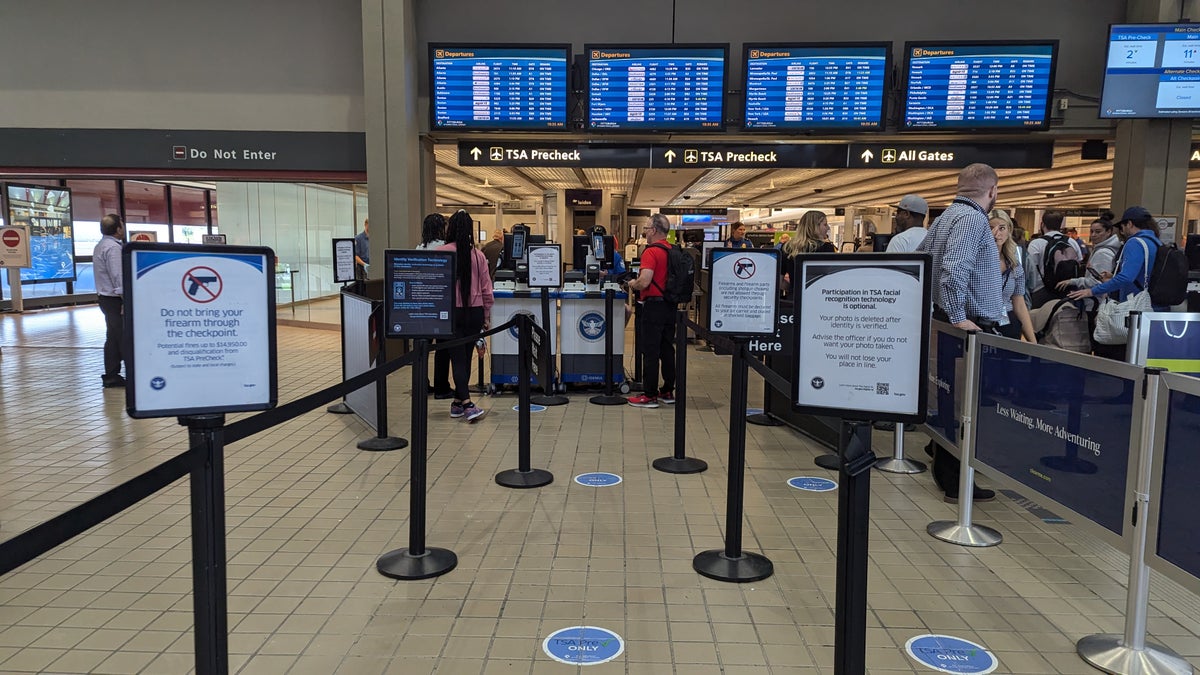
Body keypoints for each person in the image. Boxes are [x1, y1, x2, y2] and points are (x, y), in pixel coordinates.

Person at [918, 163, 1004, 503]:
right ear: (993, 191)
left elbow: (921, 260)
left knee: (949, 401)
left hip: (944, 319)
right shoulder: (972, 220)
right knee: (963, 405)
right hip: (965, 323)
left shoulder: (944, 218)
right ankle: (954, 481)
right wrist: (957, 316)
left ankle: (948, 474)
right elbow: (954, 271)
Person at [1067, 206, 1166, 360]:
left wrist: (1092, 291)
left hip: (1129, 308)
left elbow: (1127, 278)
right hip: (1149, 306)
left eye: (1122, 226)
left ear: (1130, 224)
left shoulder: (1135, 243)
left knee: (1113, 352)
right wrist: (1113, 276)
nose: (1122, 231)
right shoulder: (1154, 242)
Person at [438, 211, 493, 421]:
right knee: (465, 357)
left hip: (450, 313)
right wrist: (486, 315)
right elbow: (487, 289)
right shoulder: (478, 256)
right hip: (474, 312)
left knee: (457, 358)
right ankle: (466, 403)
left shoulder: (441, 252)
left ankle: (459, 402)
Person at [625, 213, 677, 408]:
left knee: (651, 351)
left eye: (646, 229)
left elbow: (645, 280)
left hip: (654, 306)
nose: (645, 232)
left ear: (654, 230)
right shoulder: (673, 250)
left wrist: (632, 283)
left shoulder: (651, 252)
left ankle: (649, 395)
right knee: (667, 349)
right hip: (670, 305)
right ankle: (668, 391)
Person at [418, 213, 453, 399]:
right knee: (442, 348)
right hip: (440, 303)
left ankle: (422, 384)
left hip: (421, 304)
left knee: (422, 347)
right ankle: (442, 386)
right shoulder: (444, 248)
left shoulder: (419, 248)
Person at [989, 211, 1036, 342]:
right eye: (991, 228)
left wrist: (1033, 342)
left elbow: (1019, 303)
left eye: (1002, 228)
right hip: (981, 323)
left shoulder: (1014, 263)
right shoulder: (977, 260)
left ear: (1009, 230)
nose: (996, 233)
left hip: (1007, 321)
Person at [94, 214, 126, 388]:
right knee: (123, 336)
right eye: (122, 225)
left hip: (105, 298)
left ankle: (112, 375)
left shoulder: (100, 245)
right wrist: (125, 301)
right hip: (115, 300)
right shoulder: (113, 248)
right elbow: (118, 276)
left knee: (113, 337)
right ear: (118, 228)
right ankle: (133, 374)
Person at [1025, 211, 1081, 309]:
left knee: (1039, 321)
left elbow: (1031, 268)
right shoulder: (1072, 242)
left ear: (1042, 224)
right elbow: (1078, 262)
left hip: (1041, 290)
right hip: (1067, 290)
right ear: (1061, 225)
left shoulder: (1036, 243)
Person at [1057, 212, 1120, 293]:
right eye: (1091, 231)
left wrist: (1073, 281)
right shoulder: (1102, 250)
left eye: (1098, 232)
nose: (1093, 235)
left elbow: (1098, 281)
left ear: (1108, 232)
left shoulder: (1103, 253)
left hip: (1096, 299)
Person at [779, 210, 835, 295]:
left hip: (795, 301)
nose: (828, 228)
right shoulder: (826, 248)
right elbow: (832, 280)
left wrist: (794, 289)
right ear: (815, 227)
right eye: (825, 224)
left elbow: (780, 281)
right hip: (818, 299)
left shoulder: (787, 247)